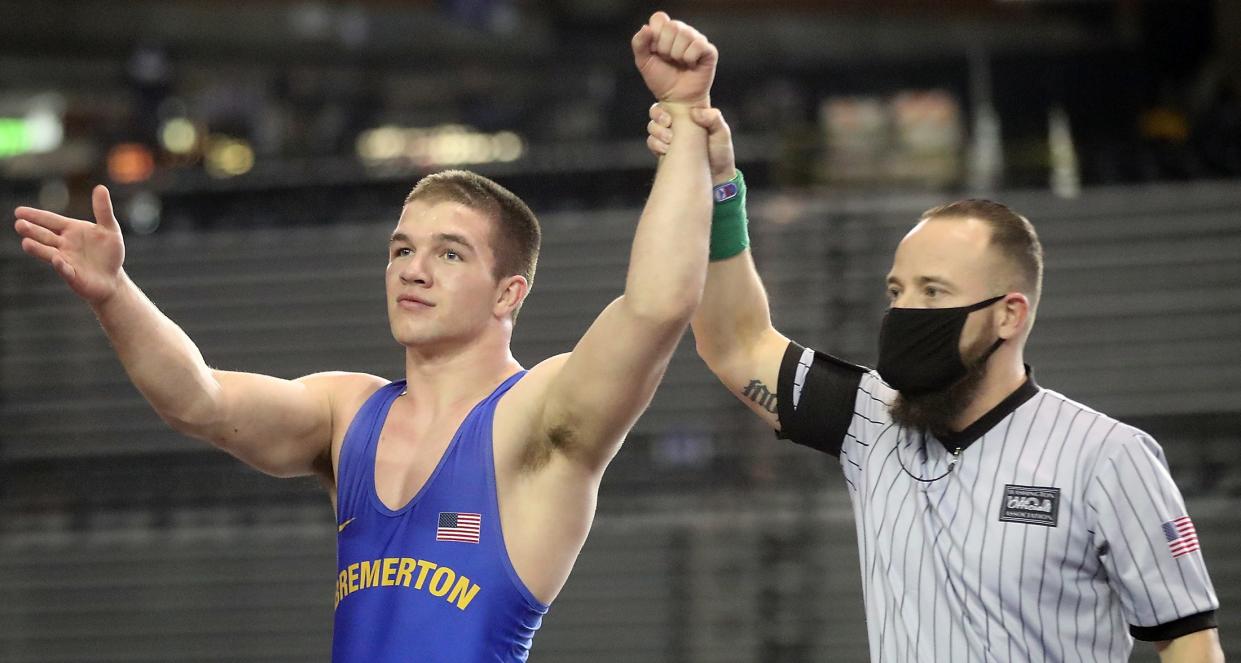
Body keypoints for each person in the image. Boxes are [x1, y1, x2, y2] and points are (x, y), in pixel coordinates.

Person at [10, 12, 715, 662]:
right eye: (402, 249)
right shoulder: (347, 413)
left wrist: (684, 115)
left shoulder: (537, 417)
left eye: (449, 253)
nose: (413, 270)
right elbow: (199, 401)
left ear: (509, 292)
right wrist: (115, 295)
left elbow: (655, 309)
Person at [646, 106, 1224, 662]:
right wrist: (720, 184)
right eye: (897, 292)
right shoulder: (868, 420)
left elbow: (1187, 639)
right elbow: (734, 343)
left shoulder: (1107, 455)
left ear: (1010, 315)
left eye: (934, 292)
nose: (906, 311)